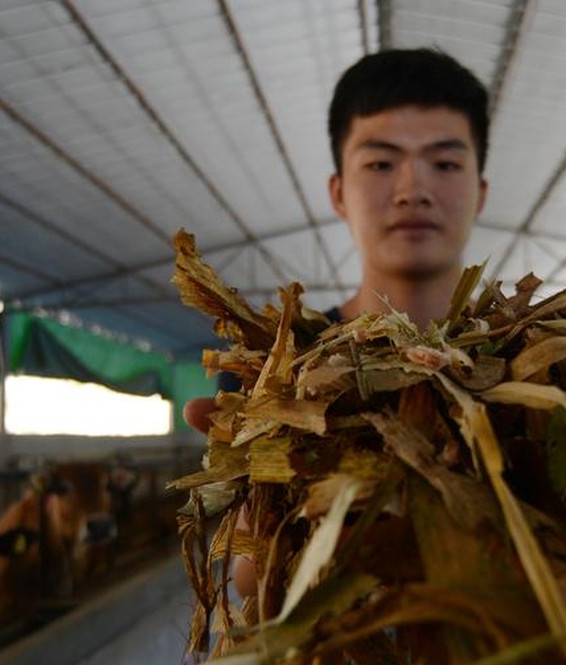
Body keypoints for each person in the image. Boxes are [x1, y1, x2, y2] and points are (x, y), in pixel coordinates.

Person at [182, 48, 491, 599]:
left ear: (481, 192)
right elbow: (253, 581)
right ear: (338, 192)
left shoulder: (546, 360)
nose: (412, 189)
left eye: (444, 163)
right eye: (380, 163)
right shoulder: (272, 367)